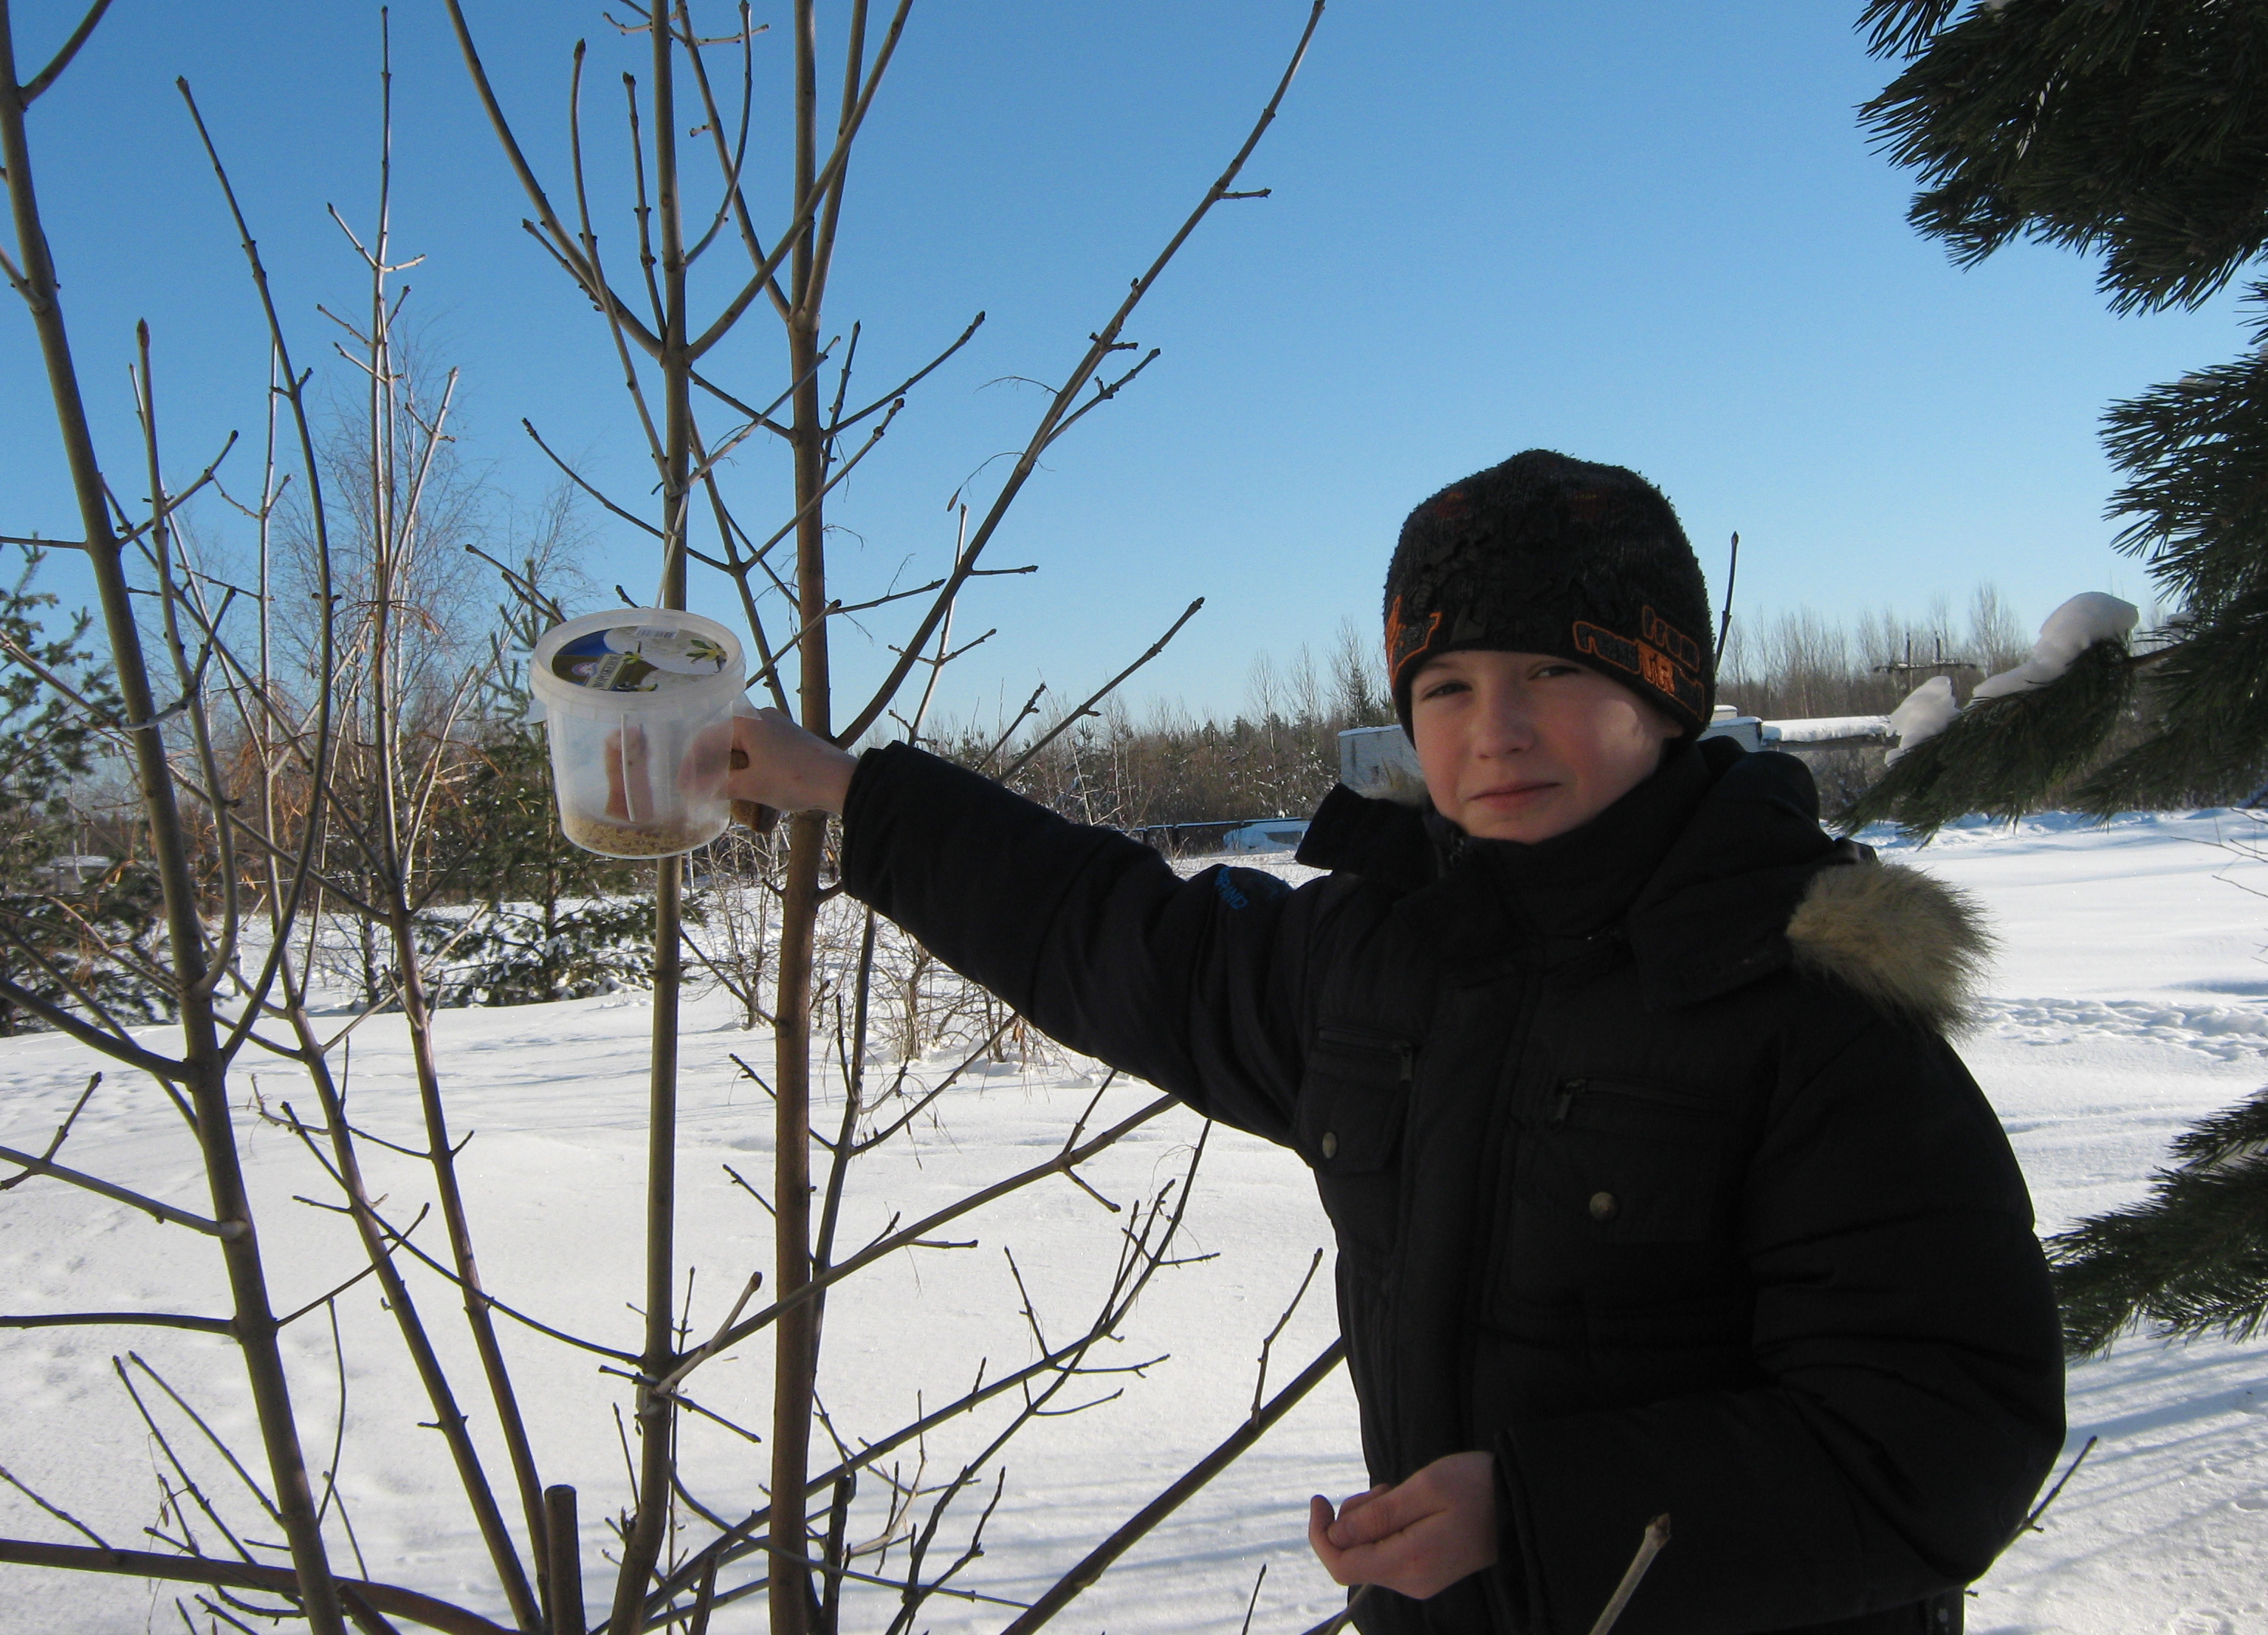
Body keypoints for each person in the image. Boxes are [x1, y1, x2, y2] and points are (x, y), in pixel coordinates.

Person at [725, 450, 2066, 1635]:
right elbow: (1109, 932)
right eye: (1448, 685)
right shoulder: (1383, 963)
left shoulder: (1808, 1007)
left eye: (1554, 670)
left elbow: (1944, 1438)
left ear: (1662, 695)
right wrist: (848, 792)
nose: (1496, 732)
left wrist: (1533, 1518)